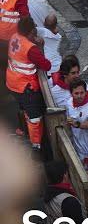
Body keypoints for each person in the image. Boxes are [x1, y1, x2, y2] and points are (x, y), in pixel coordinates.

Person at [5, 16, 51, 151]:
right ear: (30, 32)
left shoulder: (14, 36)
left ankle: (24, 131)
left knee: (24, 111)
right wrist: (40, 46)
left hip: (12, 83)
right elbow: (46, 65)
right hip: (25, 87)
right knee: (34, 117)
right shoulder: (31, 48)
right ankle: (36, 147)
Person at [65, 78, 88, 172]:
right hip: (79, 153)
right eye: (76, 93)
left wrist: (77, 124)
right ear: (71, 93)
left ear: (86, 92)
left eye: (82, 93)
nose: (80, 96)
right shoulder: (69, 104)